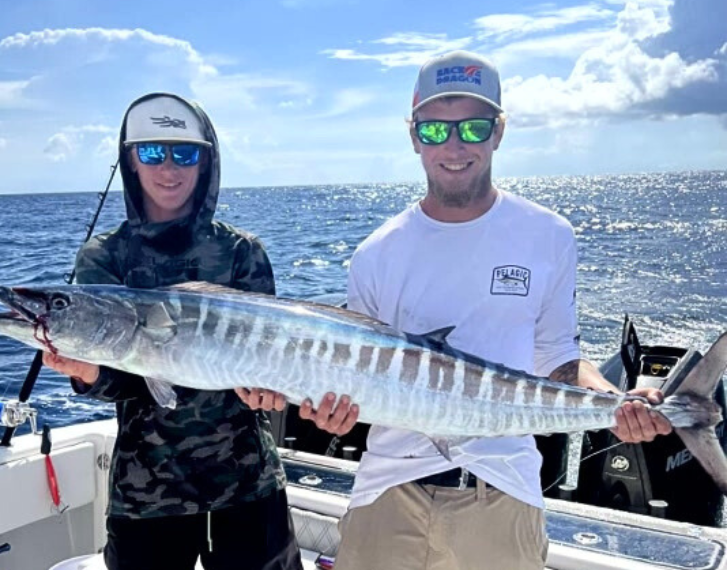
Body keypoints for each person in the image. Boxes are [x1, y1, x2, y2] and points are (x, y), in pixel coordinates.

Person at [300, 50, 672, 569]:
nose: (453, 146)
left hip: (502, 492)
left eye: (473, 128)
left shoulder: (547, 235)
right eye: (434, 130)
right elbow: (357, 379)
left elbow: (556, 357)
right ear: (413, 137)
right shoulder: (375, 253)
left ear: (498, 131)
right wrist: (331, 415)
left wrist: (618, 403)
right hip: (388, 492)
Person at [42, 92, 303, 570]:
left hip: (248, 485)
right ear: (131, 161)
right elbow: (121, 378)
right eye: (151, 152)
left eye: (184, 153)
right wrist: (87, 373)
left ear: (206, 161)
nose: (168, 168)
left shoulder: (242, 252)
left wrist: (270, 392)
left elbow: (268, 361)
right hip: (147, 493)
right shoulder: (104, 256)